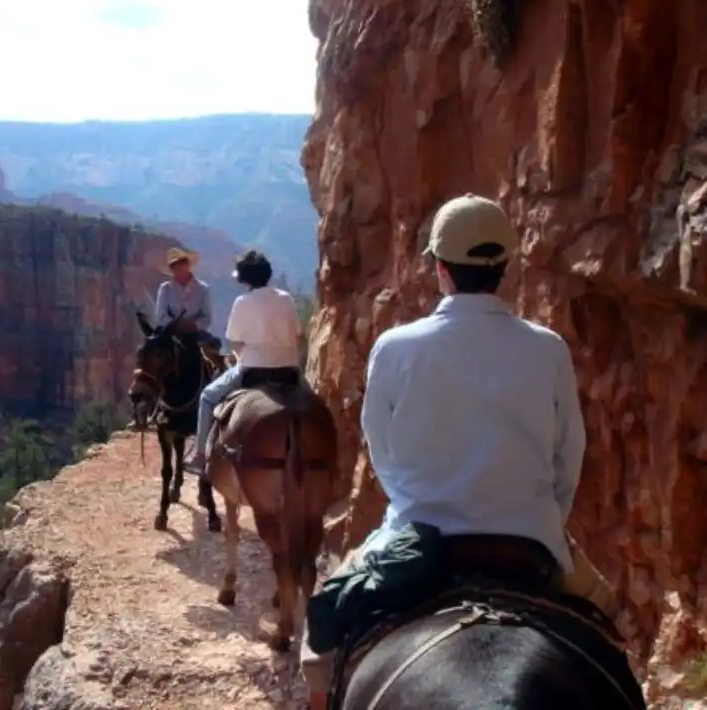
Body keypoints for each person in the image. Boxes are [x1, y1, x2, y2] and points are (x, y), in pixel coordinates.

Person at [300, 194, 613, 709]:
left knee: (320, 648)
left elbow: (382, 449)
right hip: (530, 540)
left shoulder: (396, 347)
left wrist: (414, 499)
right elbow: (568, 453)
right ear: (505, 268)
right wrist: (542, 518)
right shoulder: (548, 348)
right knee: (609, 631)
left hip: (419, 541)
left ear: (440, 269)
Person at [184, 249, 302, 473]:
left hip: (253, 371)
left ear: (245, 279)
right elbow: (297, 336)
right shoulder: (287, 298)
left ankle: (199, 455)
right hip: (289, 370)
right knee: (314, 400)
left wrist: (243, 355)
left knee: (207, 397)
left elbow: (236, 341)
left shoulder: (242, 302)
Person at [154, 247, 221, 352]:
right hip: (171, 333)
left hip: (196, 333)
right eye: (174, 265)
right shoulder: (165, 289)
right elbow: (161, 315)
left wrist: (194, 325)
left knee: (213, 346)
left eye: (182, 263)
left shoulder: (203, 289)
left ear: (188, 265)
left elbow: (207, 317)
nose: (179, 267)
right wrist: (175, 325)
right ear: (171, 269)